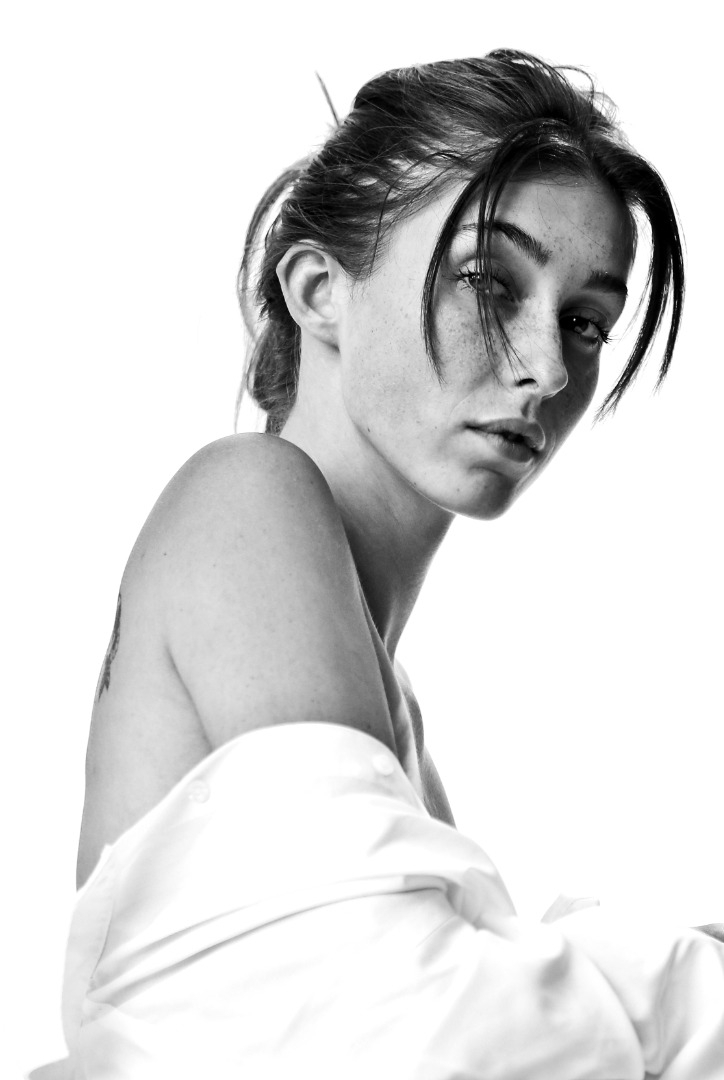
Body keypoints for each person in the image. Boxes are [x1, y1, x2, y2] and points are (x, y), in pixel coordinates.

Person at [52, 49, 724, 1079]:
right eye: (487, 281)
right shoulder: (246, 496)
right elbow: (424, 1036)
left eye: (585, 320)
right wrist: (694, 977)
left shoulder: (394, 716)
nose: (548, 366)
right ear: (320, 289)